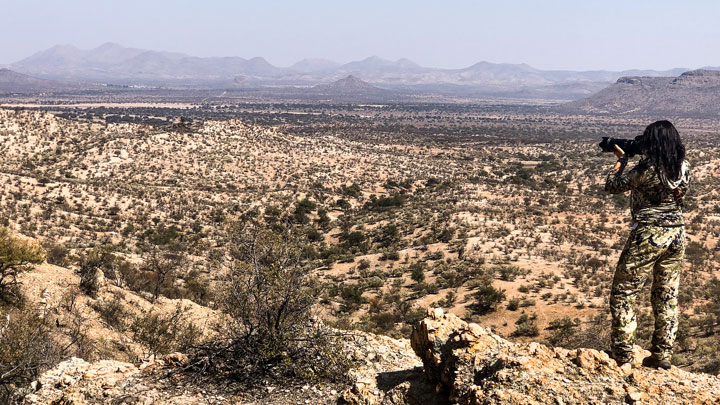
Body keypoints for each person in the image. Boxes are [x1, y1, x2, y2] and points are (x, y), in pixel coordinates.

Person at [604, 120, 690, 370]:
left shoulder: (647, 169)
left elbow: (611, 186)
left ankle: (622, 354)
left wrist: (622, 160)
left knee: (624, 292)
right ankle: (662, 353)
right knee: (667, 294)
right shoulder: (683, 167)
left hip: (648, 235)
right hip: (676, 234)